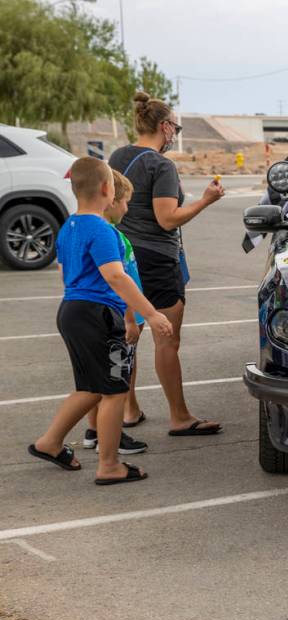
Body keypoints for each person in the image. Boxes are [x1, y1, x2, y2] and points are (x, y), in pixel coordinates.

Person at [27, 157, 173, 484]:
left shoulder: (68, 228)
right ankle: (109, 465)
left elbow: (65, 273)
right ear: (108, 189)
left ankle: (49, 443)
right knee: (114, 389)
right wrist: (150, 313)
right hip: (98, 315)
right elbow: (116, 277)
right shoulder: (103, 230)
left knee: (91, 387)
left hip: (71, 311)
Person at [108, 92, 225, 436]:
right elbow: (167, 219)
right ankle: (179, 416)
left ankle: (129, 410)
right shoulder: (161, 165)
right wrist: (206, 200)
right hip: (158, 261)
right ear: (164, 126)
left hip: (126, 255)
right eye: (175, 126)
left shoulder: (118, 155)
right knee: (166, 339)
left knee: (129, 335)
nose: (175, 132)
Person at [82, 169, 149, 455]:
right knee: (117, 377)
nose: (127, 208)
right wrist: (131, 320)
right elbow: (119, 282)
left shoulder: (90, 232)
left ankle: (93, 431)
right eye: (125, 202)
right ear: (110, 200)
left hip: (95, 317)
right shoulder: (110, 237)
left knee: (99, 377)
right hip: (118, 320)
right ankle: (113, 436)